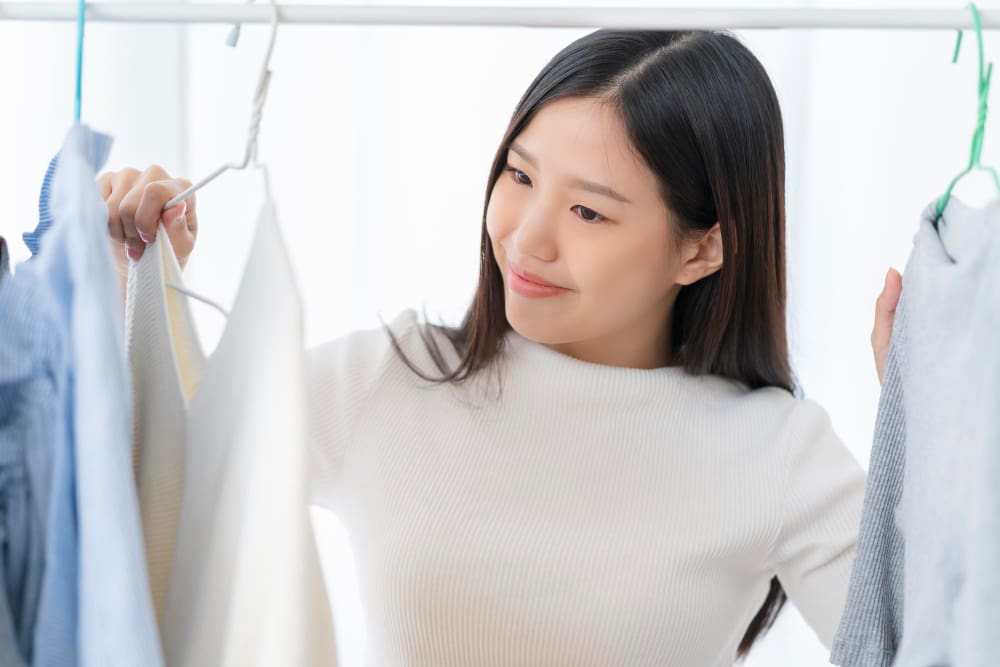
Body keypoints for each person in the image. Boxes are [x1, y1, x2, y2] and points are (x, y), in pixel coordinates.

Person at [98, 28, 903, 665]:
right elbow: (143, 488)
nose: (524, 238)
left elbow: (932, 645)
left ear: (703, 249)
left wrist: (925, 419)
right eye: (519, 176)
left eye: (589, 212)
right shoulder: (389, 378)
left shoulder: (775, 452)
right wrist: (131, 286)